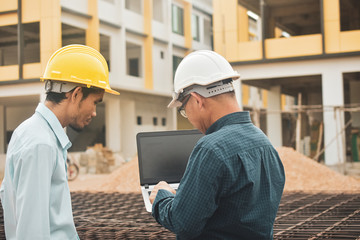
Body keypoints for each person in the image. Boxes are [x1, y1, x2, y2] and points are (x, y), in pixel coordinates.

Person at [149, 50, 285, 240]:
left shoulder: (211, 149)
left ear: (197, 100)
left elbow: (183, 223)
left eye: (184, 110)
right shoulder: (265, 144)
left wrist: (162, 197)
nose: (188, 118)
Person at [0, 44, 119, 239]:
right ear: (76, 94)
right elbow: (32, 233)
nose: (95, 112)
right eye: (95, 102)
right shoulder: (41, 144)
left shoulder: (30, 132)